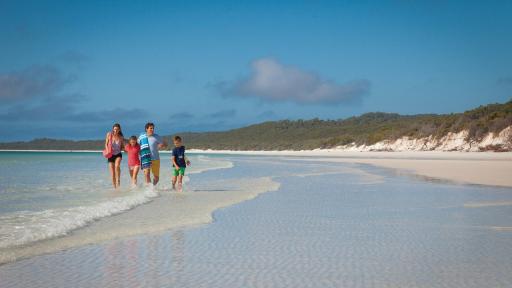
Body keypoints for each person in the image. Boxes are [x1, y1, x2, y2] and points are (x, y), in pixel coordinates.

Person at [105, 123, 124, 189]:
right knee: (112, 174)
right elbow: (106, 144)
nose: (116, 131)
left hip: (118, 154)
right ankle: (115, 188)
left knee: (117, 166)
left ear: (119, 130)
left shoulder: (121, 137)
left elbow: (122, 147)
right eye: (115, 129)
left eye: (117, 129)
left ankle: (118, 180)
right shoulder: (109, 134)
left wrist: (128, 150)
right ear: (113, 129)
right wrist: (107, 150)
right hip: (110, 155)